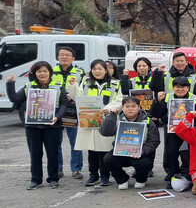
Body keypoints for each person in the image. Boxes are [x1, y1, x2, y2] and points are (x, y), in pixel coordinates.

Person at [6, 61, 68, 189]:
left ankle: (53, 179)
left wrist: (57, 117)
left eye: (45, 71)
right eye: (39, 71)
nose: (42, 74)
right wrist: (10, 84)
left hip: (52, 125)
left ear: (50, 72)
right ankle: (35, 179)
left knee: (53, 153)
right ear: (35, 73)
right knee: (35, 154)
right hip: (33, 126)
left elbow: (63, 104)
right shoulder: (29, 86)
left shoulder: (58, 86)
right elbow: (15, 99)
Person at [67, 59, 123, 187]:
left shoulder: (115, 84)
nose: (97, 71)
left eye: (100, 69)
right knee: (91, 150)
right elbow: (77, 97)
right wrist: (73, 85)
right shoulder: (86, 82)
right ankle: (93, 175)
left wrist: (108, 109)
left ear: (105, 70)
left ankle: (104, 175)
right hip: (89, 120)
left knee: (104, 149)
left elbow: (120, 100)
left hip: (106, 120)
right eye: (94, 69)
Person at [151, 76, 196, 188]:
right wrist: (158, 102)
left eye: (183, 87)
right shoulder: (166, 97)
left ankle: (187, 175)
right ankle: (173, 175)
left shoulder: (195, 98)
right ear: (173, 87)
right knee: (171, 153)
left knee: (188, 153)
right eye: (177, 87)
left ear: (188, 88)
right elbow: (156, 113)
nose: (180, 89)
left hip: (189, 131)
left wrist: (194, 117)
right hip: (172, 131)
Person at [100, 96, 160, 190]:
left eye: (133, 106)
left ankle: (141, 179)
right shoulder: (117, 118)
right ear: (122, 108)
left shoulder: (148, 121)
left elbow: (154, 140)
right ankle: (122, 179)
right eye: (127, 106)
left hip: (140, 153)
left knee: (145, 163)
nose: (130, 109)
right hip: (121, 152)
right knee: (108, 159)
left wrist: (143, 151)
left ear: (139, 107)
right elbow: (105, 132)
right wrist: (111, 116)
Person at [52, 46, 85, 179]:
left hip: (72, 109)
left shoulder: (80, 72)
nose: (64, 57)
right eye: (62, 55)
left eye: (67, 55)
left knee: (75, 141)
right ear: (58, 57)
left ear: (73, 58)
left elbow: (83, 89)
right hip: (56, 109)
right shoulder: (51, 71)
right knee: (55, 141)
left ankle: (76, 169)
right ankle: (58, 169)